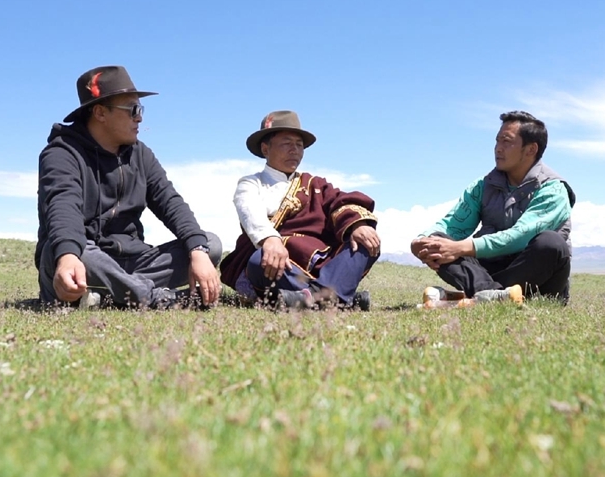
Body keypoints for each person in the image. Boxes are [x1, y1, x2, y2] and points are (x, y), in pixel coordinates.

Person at [35, 65, 222, 310]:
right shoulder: (61, 154)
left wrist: (197, 249)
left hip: (133, 261)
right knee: (68, 249)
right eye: (133, 109)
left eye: (140, 109)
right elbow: (63, 206)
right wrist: (68, 255)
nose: (140, 118)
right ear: (100, 112)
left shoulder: (141, 154)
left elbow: (170, 202)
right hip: (83, 259)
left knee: (210, 244)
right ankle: (152, 298)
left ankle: (110, 295)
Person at [410, 111, 575, 308]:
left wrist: (462, 247)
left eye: (507, 141)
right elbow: (453, 224)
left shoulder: (553, 190)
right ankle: (494, 297)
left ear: (531, 149)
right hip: (488, 273)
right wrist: (422, 241)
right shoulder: (483, 186)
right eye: (497, 141)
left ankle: (475, 297)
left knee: (551, 243)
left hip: (538, 280)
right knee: (438, 239)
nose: (498, 148)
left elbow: (520, 235)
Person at [220, 110, 380, 310]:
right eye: (287, 143)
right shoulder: (251, 183)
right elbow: (250, 212)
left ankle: (315, 297)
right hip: (283, 262)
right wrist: (270, 239)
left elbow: (340, 203)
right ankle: (337, 296)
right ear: (265, 149)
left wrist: (358, 225)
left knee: (365, 241)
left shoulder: (316, 185)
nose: (294, 150)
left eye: (299, 145)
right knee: (261, 259)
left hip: (323, 265)